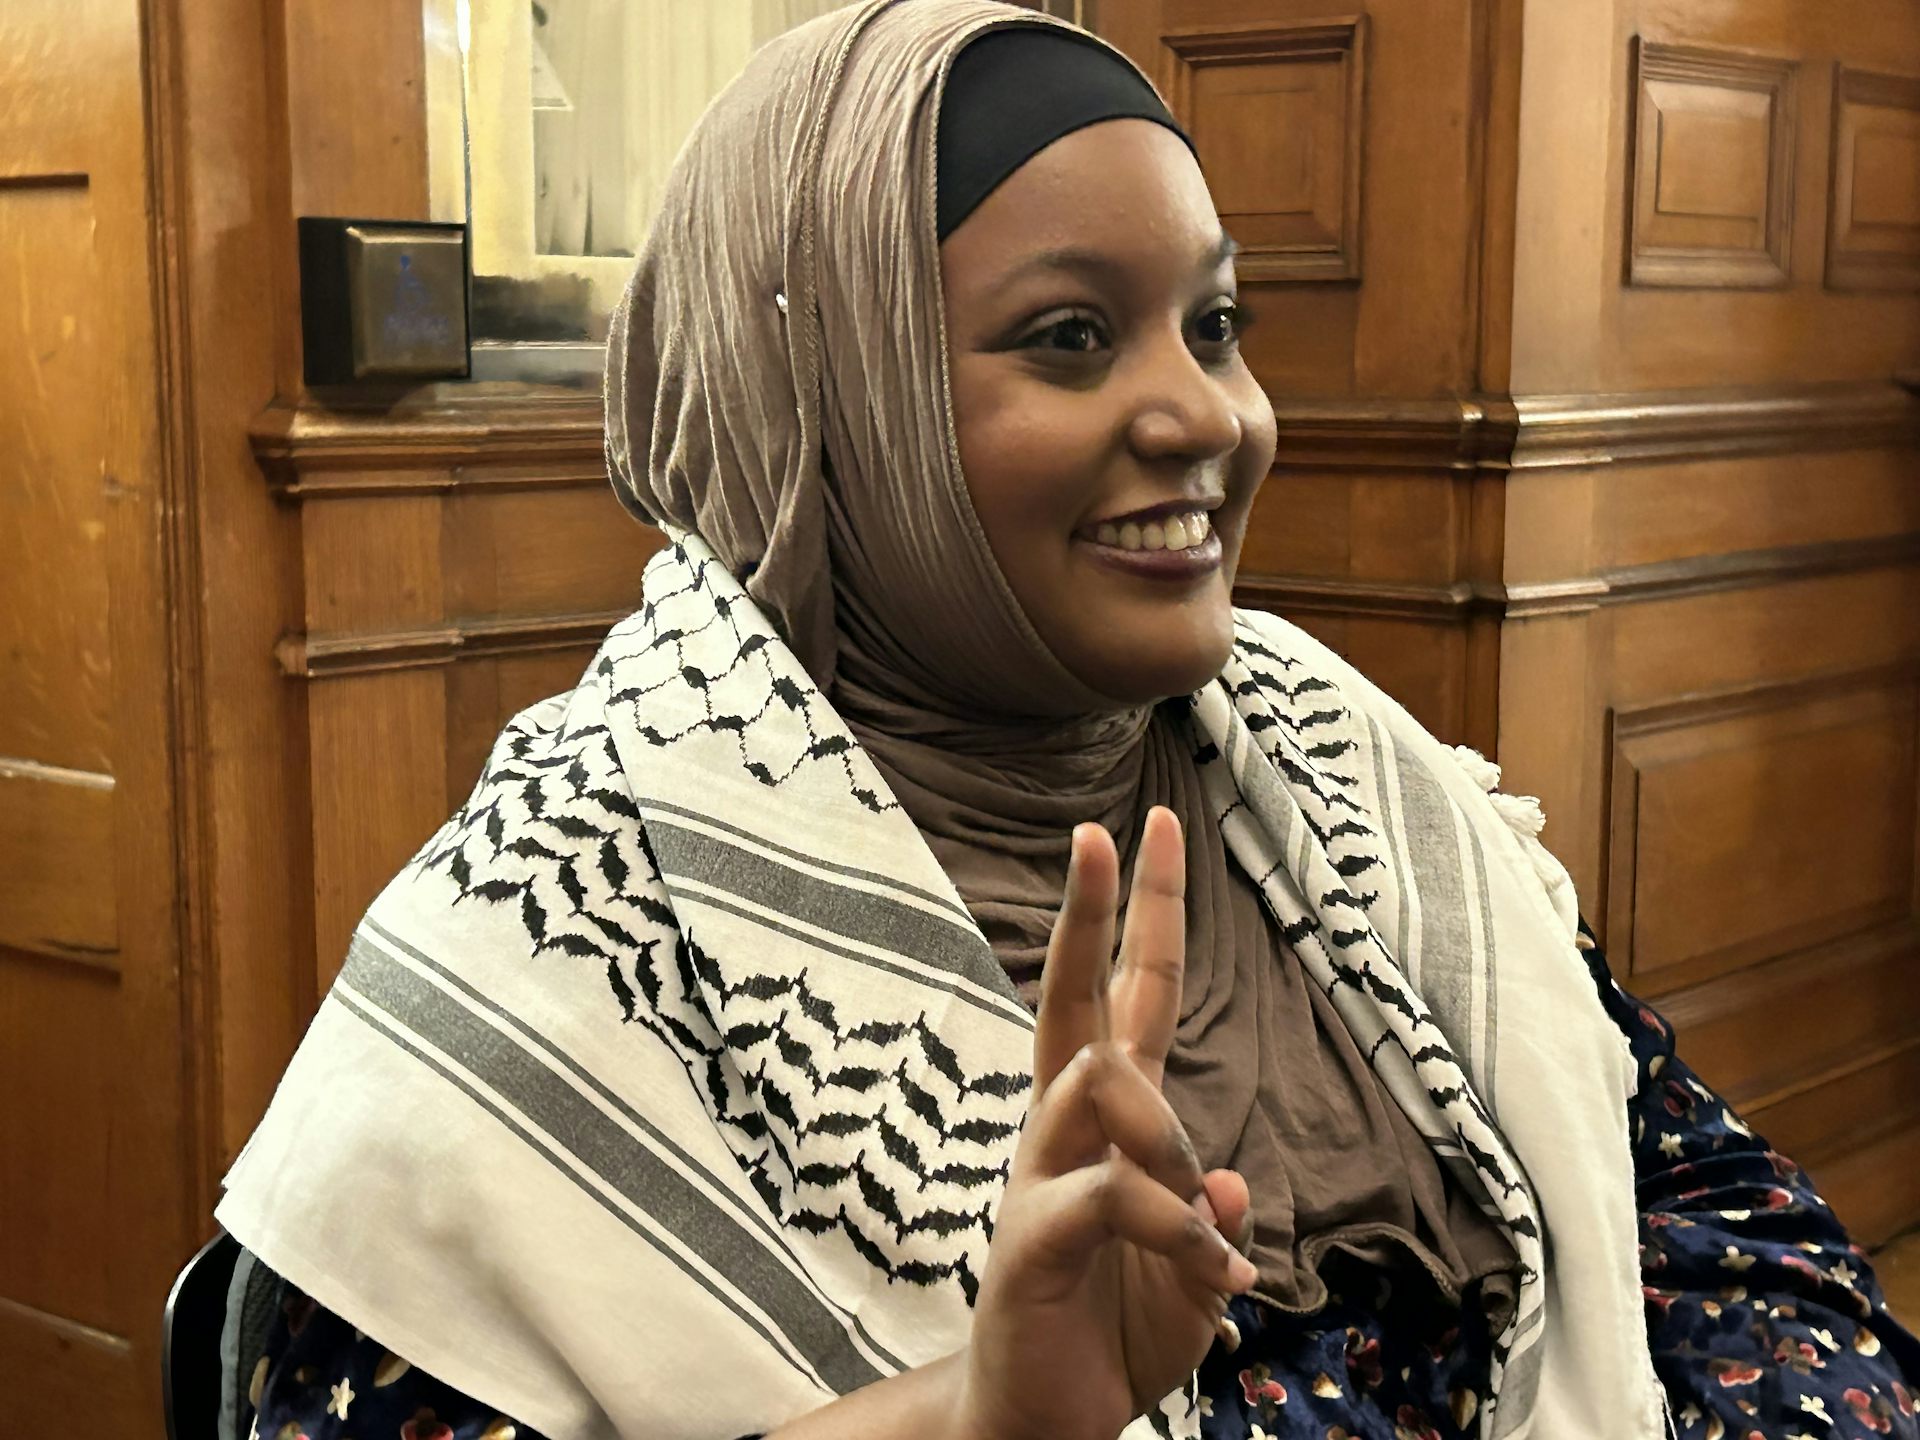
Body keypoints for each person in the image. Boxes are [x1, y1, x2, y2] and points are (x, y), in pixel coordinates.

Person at [220, 3, 1919, 1438]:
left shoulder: (1323, 759)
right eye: (1072, 337)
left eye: (1217, 322)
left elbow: (1699, 1219)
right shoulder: (558, 936)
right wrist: (974, 1418)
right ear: (836, 405)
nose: (1207, 413)